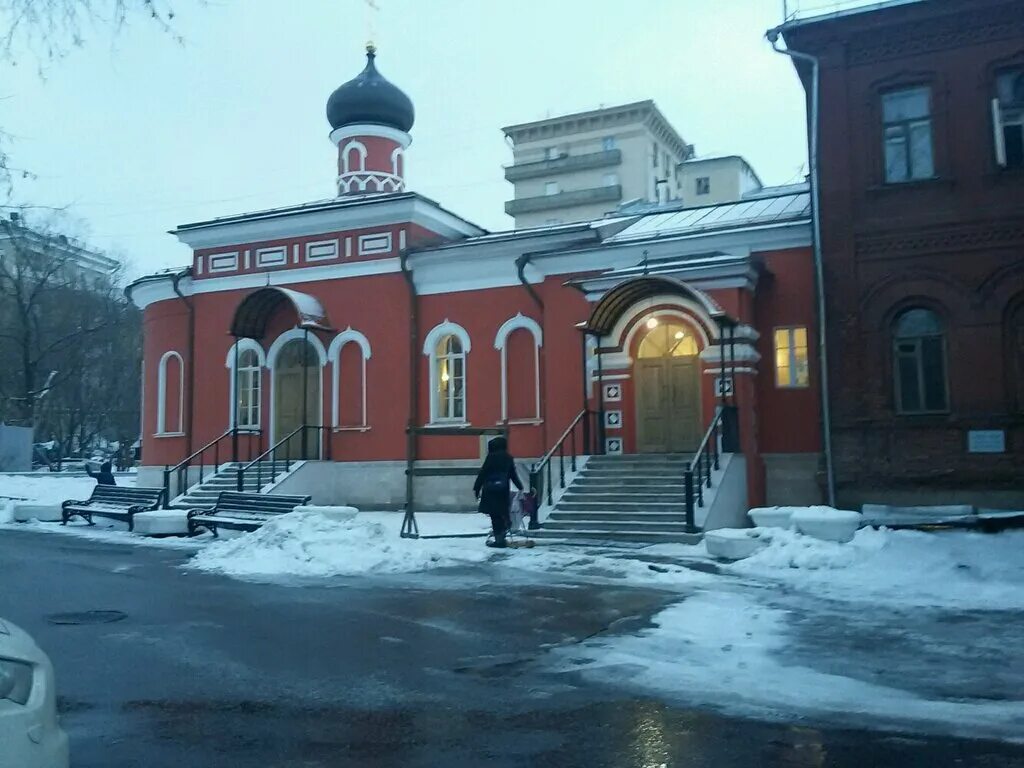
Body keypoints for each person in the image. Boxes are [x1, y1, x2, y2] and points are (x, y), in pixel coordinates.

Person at [473, 436, 523, 548]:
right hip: (503, 490)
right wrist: (520, 486)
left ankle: (499, 540)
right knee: (503, 512)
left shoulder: (491, 457)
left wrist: (476, 488)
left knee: (494, 515)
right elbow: (513, 474)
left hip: (490, 491)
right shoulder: (508, 458)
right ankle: (504, 531)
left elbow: (483, 473)